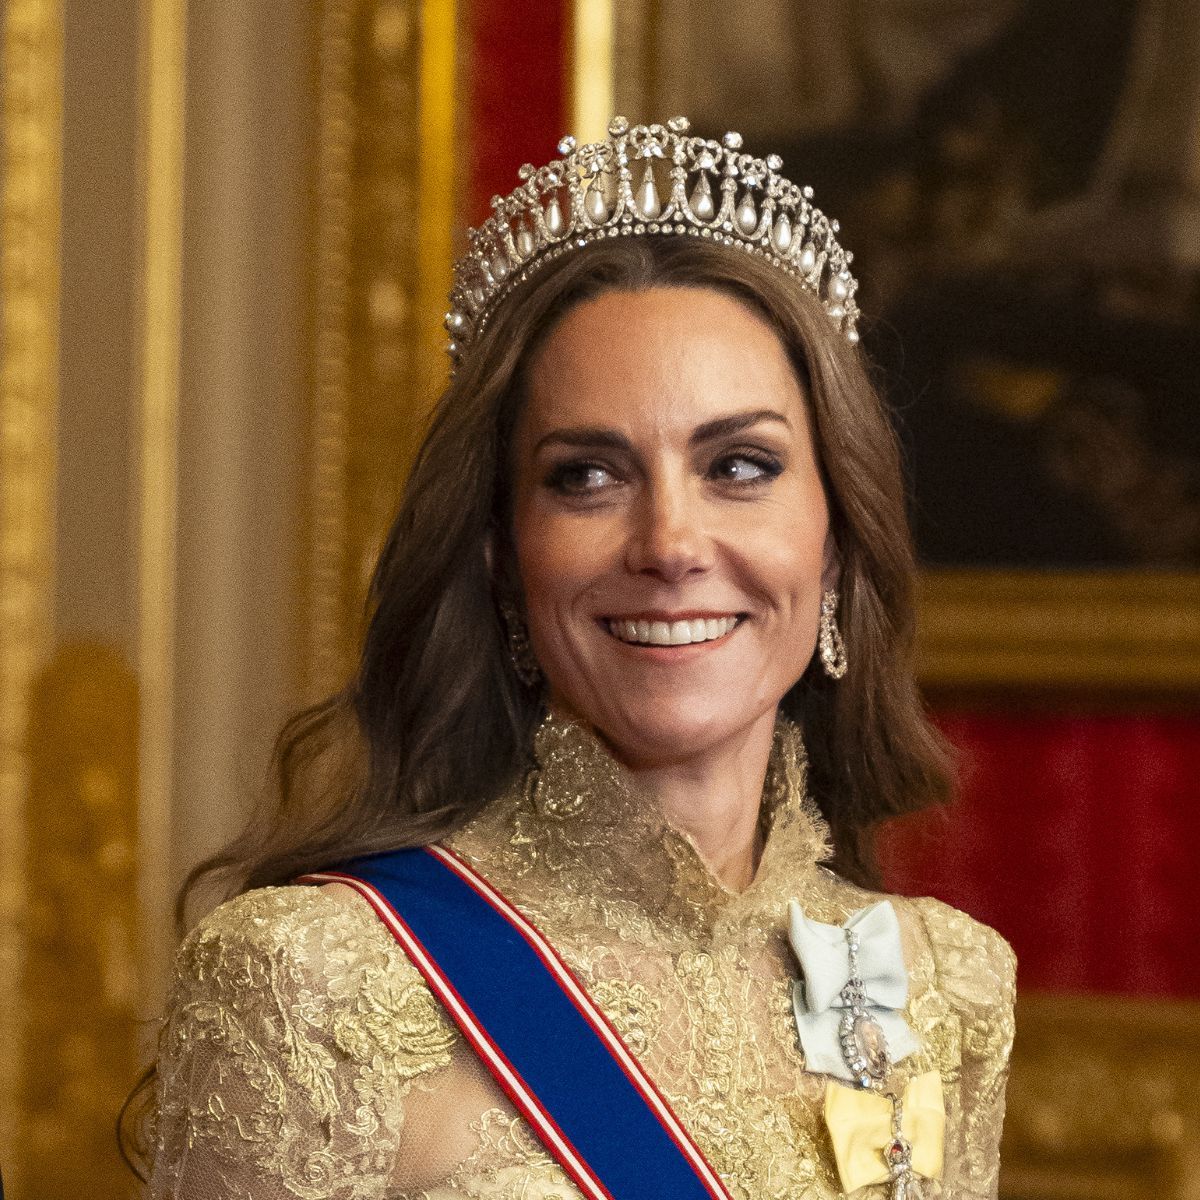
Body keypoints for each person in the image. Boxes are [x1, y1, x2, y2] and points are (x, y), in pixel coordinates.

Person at [141, 117, 1015, 1199]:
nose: (671, 545)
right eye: (587, 477)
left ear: (834, 544)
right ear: (505, 562)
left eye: (740, 465)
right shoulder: (312, 983)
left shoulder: (931, 985)